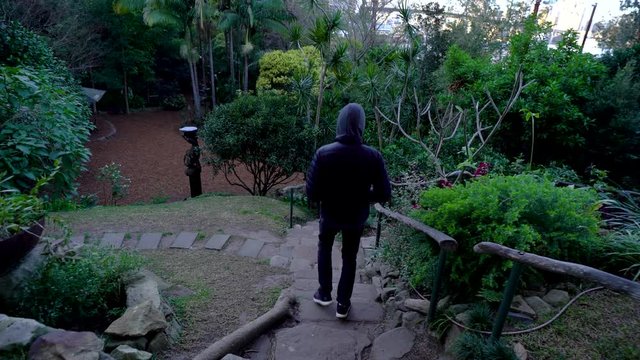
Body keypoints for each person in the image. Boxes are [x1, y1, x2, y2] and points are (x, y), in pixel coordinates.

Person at [306, 103, 391, 319]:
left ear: (340, 123)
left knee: (324, 247)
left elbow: (312, 192)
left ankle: (324, 293)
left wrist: (328, 197)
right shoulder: (373, 156)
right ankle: (343, 304)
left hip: (330, 214)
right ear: (362, 125)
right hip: (356, 216)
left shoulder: (323, 153)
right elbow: (384, 194)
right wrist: (362, 197)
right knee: (350, 257)